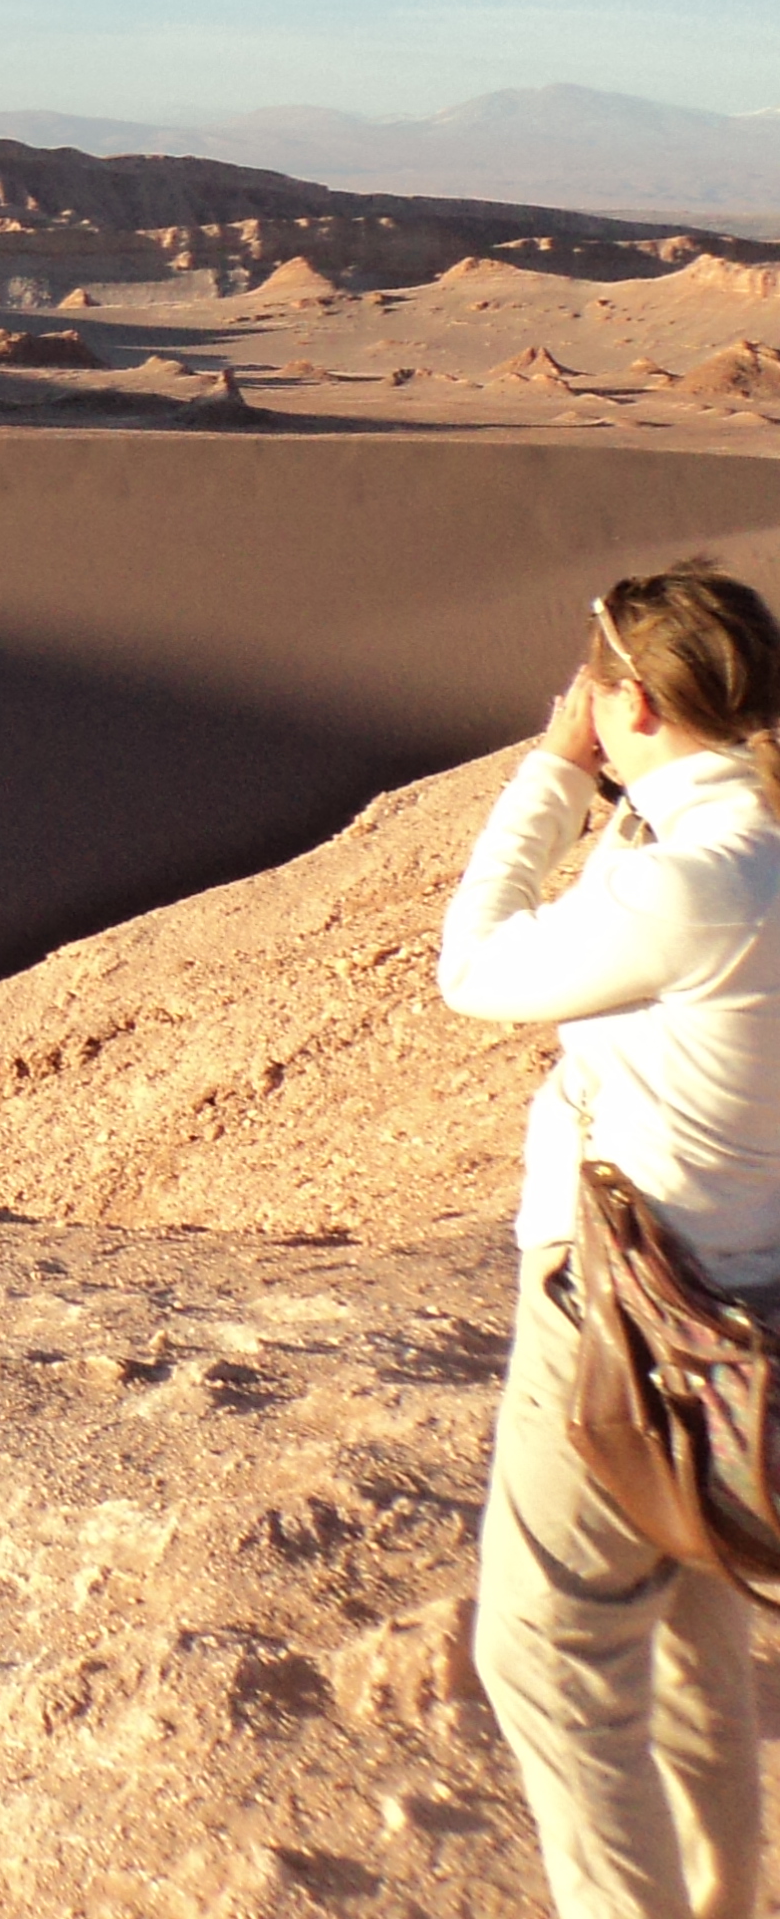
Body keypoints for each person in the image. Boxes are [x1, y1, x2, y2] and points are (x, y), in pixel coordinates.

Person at [440, 559, 780, 1919]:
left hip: (635, 1318)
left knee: (554, 1661)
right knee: (695, 1640)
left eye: (596, 680)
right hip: (747, 1304)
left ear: (632, 698)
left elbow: (475, 970)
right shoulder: (746, 850)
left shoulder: (697, 885)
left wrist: (551, 773)